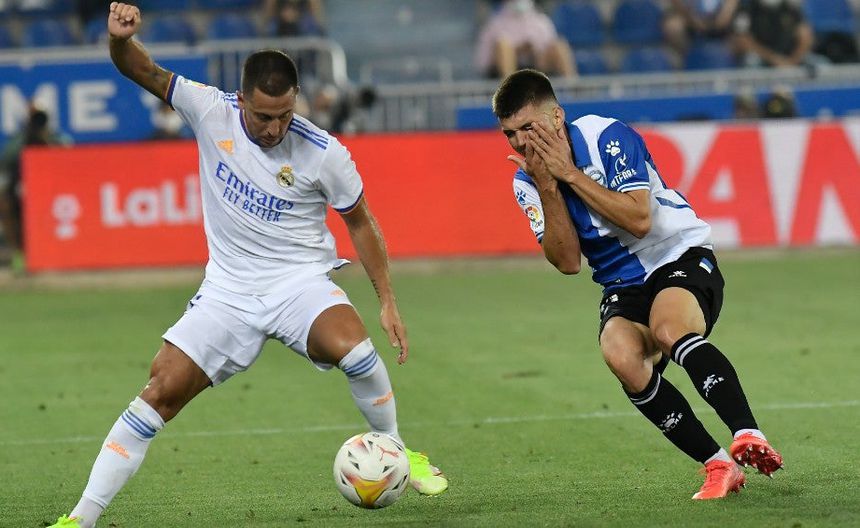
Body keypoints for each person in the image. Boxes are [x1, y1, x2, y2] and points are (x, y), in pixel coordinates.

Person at [48, 3, 447, 527]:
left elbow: (361, 223)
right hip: (228, 293)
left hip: (299, 284)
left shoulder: (324, 152)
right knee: (158, 393)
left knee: (356, 351)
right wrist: (120, 40)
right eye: (263, 116)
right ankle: (80, 519)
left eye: (285, 115)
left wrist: (387, 300)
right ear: (241, 101)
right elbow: (141, 69)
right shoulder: (208, 109)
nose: (275, 127)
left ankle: (396, 449)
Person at [492, 69, 783, 500]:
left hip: (677, 254)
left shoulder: (607, 137)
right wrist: (549, 187)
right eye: (510, 134)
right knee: (620, 354)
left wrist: (569, 174)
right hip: (621, 282)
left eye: (527, 128)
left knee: (668, 330)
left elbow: (640, 220)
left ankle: (748, 433)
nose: (519, 143)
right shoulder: (526, 182)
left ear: (556, 117)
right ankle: (719, 465)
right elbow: (568, 263)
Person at [0, 105, 71, 273]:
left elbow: (69, 157)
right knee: (8, 207)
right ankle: (19, 253)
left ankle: (57, 252)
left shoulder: (56, 139)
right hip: (22, 188)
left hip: (55, 190)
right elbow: (6, 164)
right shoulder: (19, 141)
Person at [475, 0, 576, 79]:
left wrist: (533, 51)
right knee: (503, 46)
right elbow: (482, 63)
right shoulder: (494, 24)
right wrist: (515, 51)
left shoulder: (542, 21)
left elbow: (548, 51)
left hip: (537, 68)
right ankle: (509, 93)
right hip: (506, 73)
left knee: (559, 45)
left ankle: (573, 89)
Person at [732, 0, 815, 68]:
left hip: (789, 59)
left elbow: (806, 37)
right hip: (761, 58)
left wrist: (790, 63)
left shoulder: (790, 7)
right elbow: (741, 41)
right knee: (751, 61)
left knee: (817, 64)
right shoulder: (747, 8)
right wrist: (774, 59)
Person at [663, 0, 740, 57]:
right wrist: (694, 21)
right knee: (673, 26)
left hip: (722, 30)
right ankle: (685, 62)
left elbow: (724, 18)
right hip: (692, 26)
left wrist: (717, 23)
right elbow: (679, 6)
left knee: (740, 32)